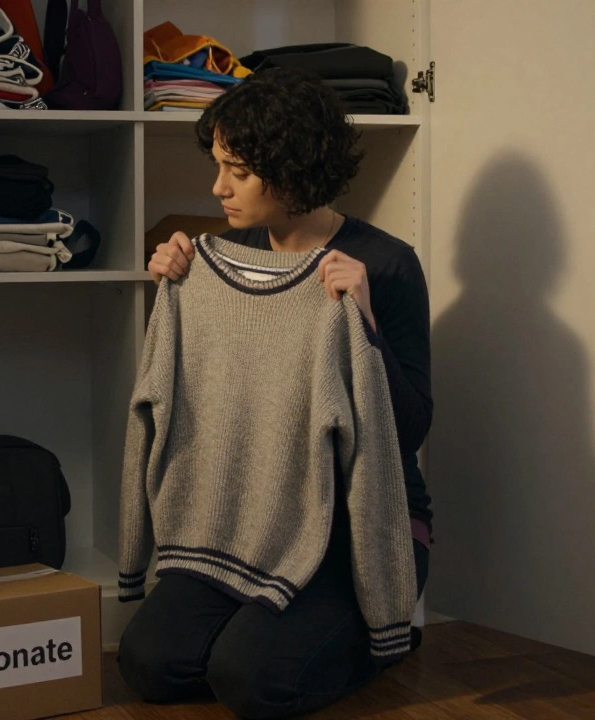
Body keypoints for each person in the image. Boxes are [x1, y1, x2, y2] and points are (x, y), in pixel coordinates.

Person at [116, 66, 434, 719]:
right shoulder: (222, 255)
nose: (218, 186)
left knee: (251, 680)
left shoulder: (386, 263)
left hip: (357, 525)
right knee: (149, 662)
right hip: (249, 520)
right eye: (218, 165)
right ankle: (267, 628)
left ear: (291, 169)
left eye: (237, 170)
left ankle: (387, 637)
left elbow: (411, 428)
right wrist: (171, 284)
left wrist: (366, 323)